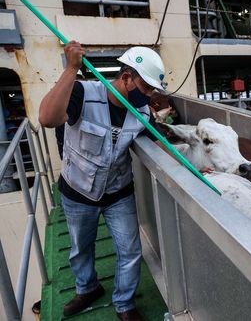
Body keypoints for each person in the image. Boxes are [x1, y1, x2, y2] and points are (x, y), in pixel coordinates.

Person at [39, 41, 168, 321]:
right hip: (76, 192)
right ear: (125, 78)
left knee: (130, 250)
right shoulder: (83, 93)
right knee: (80, 248)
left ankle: (124, 303)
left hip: (118, 192)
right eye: (146, 88)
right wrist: (71, 68)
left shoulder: (142, 113)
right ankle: (87, 288)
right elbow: (47, 118)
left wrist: (196, 167)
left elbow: (161, 146)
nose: (149, 96)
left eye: (152, 90)